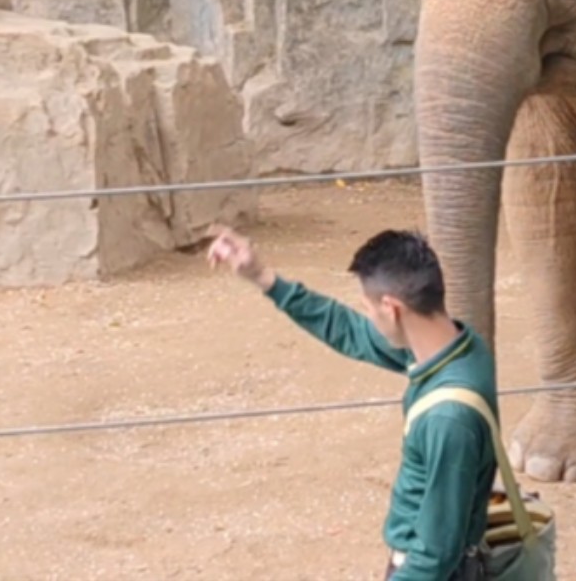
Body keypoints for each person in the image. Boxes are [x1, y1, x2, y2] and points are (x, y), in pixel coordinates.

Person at [206, 224, 498, 581]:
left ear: (392, 309)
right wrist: (263, 277)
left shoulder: (448, 419)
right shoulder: (458, 348)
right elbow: (349, 331)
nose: (369, 320)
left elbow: (435, 555)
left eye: (370, 310)